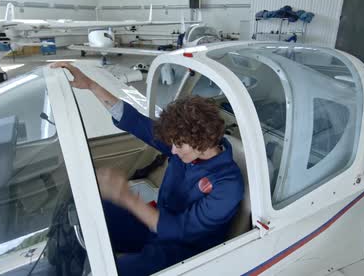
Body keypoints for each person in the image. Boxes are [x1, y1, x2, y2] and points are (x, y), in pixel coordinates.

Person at [51, 62, 244, 276]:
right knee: (92, 212)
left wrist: (126, 197)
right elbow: (136, 121)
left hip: (184, 251)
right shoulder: (185, 145)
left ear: (204, 141)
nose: (171, 150)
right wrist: (91, 85)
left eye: (178, 146)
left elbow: (180, 230)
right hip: (156, 225)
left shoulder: (228, 185)